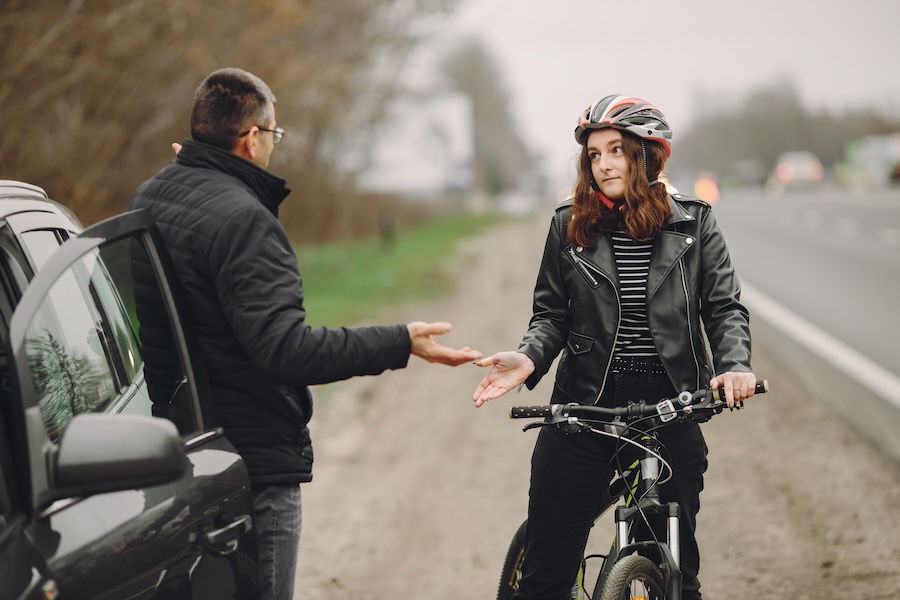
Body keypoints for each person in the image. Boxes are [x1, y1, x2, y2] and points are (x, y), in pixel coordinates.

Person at [130, 67, 482, 600]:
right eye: (274, 133)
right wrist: (400, 340)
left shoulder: (151, 197)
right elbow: (286, 351)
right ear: (251, 138)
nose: (274, 144)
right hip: (250, 464)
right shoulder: (244, 220)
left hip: (183, 445)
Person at [472, 95, 756, 600]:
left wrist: (734, 367)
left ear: (648, 156)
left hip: (670, 406)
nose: (603, 163)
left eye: (616, 151)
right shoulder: (568, 225)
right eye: (594, 154)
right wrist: (530, 357)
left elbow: (723, 308)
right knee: (547, 573)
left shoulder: (694, 224)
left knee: (676, 574)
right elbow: (552, 315)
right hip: (585, 403)